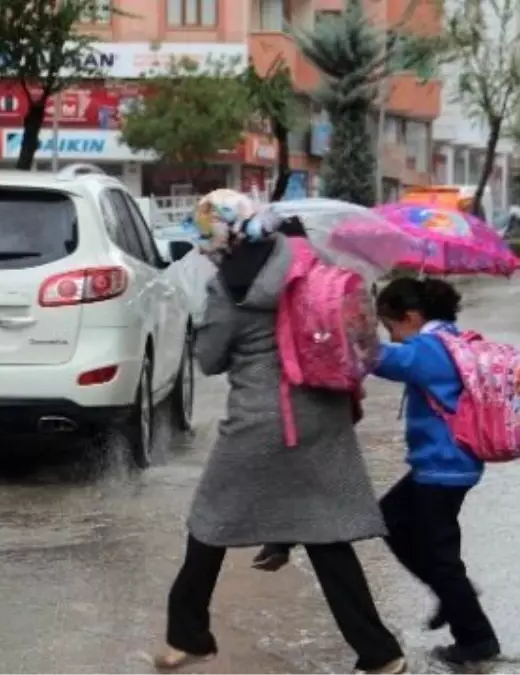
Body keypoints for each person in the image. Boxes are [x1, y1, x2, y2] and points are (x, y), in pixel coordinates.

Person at [155, 198, 406, 675]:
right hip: (324, 412)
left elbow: (209, 361)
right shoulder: (310, 261)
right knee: (326, 532)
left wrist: (206, 320)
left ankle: (188, 636)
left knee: (208, 523)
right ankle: (380, 653)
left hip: (260, 419)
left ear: (219, 236)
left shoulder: (229, 286)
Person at [369, 277, 501, 666]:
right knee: (389, 518)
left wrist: (352, 331)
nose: (392, 336)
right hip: (449, 464)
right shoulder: (455, 339)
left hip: (441, 469)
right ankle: (451, 594)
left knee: (442, 558)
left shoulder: (429, 348)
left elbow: (382, 360)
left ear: (410, 317)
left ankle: (476, 638)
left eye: (391, 327)